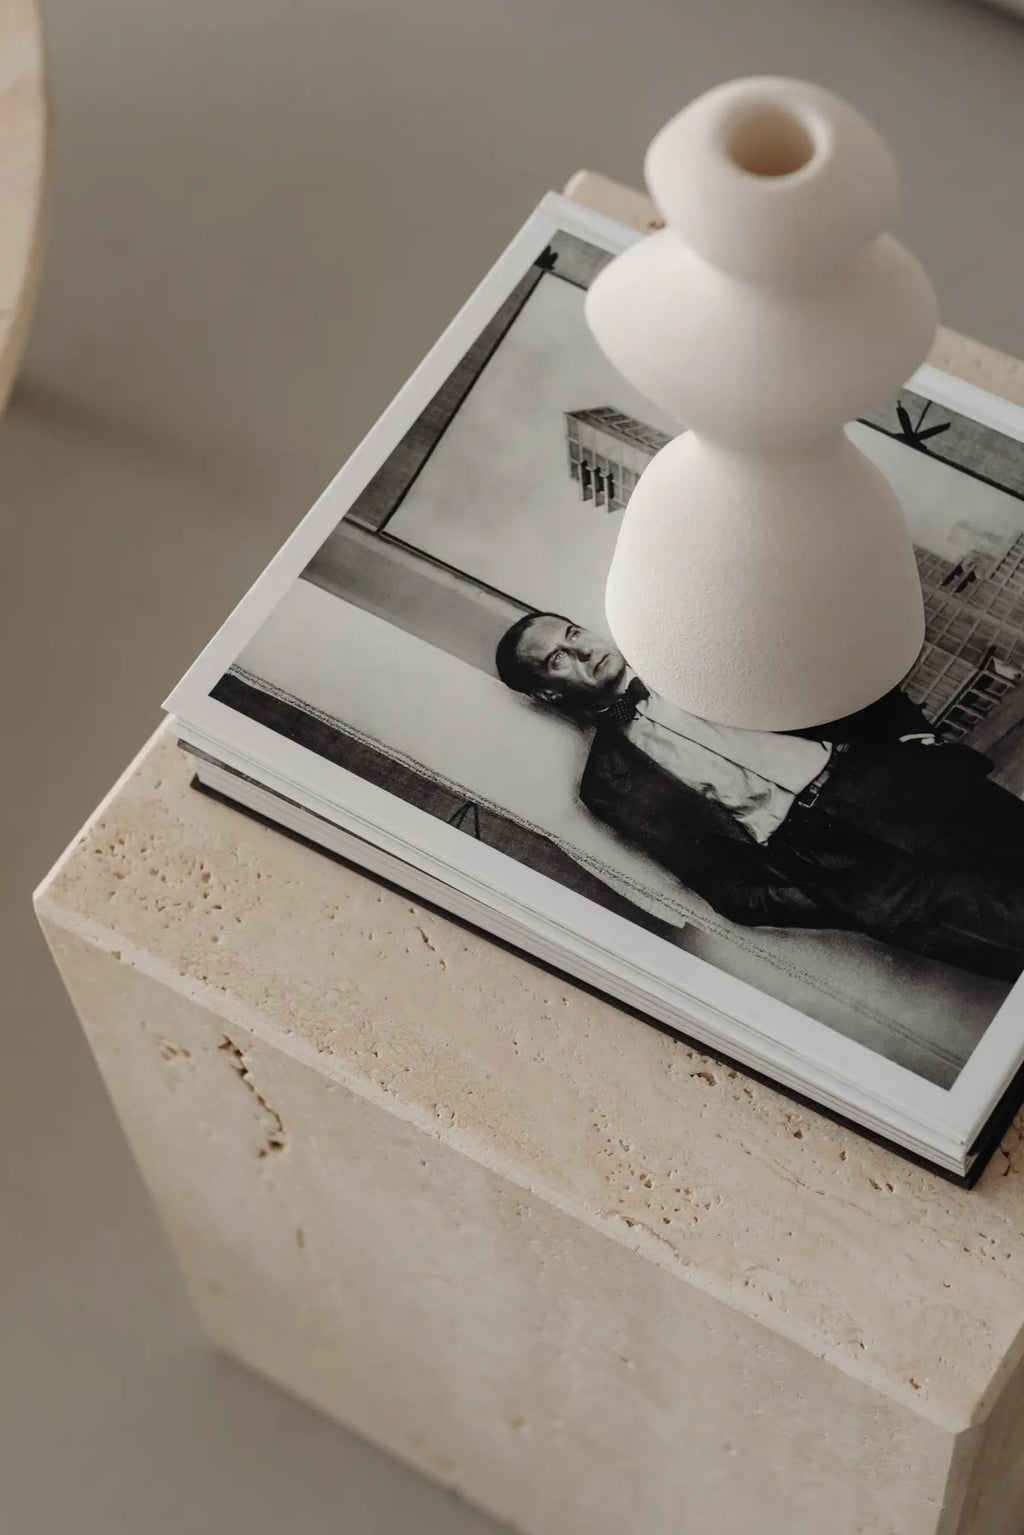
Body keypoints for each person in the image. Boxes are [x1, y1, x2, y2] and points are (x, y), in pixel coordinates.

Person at [494, 612, 1024, 983]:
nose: (584, 648)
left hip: (893, 787)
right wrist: (849, 898)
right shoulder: (609, 785)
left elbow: (839, 678)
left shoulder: (697, 655)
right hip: (844, 866)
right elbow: (732, 892)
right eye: (558, 658)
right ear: (547, 693)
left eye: (573, 632)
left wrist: (915, 741)